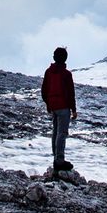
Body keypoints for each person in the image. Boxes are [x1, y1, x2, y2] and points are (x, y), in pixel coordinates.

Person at [40, 46, 77, 174]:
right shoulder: (66, 74)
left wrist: (48, 104)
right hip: (63, 106)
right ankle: (59, 160)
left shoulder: (48, 72)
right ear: (65, 58)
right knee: (62, 133)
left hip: (53, 106)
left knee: (55, 132)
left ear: (54, 57)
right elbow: (71, 93)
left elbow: (44, 91)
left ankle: (55, 157)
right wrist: (74, 110)